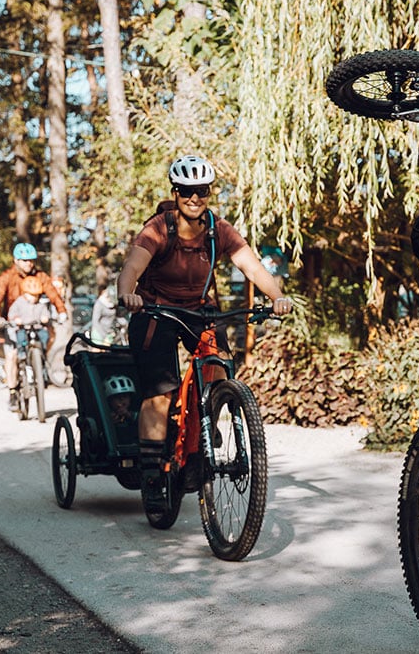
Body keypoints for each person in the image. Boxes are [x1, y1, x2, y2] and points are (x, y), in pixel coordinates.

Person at [117, 154, 294, 513]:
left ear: (209, 192)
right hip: (154, 310)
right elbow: (132, 265)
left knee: (218, 369)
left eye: (201, 191)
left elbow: (250, 264)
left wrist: (276, 297)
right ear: (176, 193)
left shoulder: (218, 230)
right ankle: (152, 477)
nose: (194, 198)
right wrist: (127, 293)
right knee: (161, 394)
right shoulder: (159, 228)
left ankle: (203, 435)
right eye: (186, 191)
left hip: (198, 309)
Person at [0, 242, 68, 410]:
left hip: (35, 319)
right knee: (12, 355)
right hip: (14, 321)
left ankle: (40, 366)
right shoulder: (7, 276)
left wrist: (61, 311)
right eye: (24, 260)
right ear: (16, 260)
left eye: (31, 260)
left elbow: (53, 294)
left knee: (49, 334)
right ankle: (12, 391)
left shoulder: (40, 276)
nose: (28, 264)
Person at [6, 276, 51, 355]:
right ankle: (21, 353)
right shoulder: (19, 302)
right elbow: (12, 313)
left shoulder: (40, 304)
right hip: (24, 327)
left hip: (37, 327)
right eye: (31, 295)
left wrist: (45, 317)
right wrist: (16, 318)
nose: (34, 298)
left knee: (44, 335)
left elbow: (45, 313)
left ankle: (43, 353)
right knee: (21, 338)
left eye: (36, 295)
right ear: (24, 293)